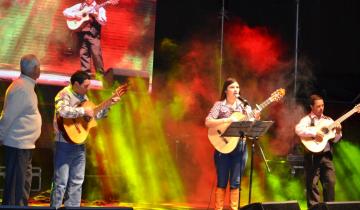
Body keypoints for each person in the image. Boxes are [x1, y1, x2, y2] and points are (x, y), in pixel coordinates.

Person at [50, 71, 120, 209]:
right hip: (64, 143)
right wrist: (83, 112)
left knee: (77, 182)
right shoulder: (64, 94)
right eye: (86, 86)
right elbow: (62, 111)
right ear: (76, 84)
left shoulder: (84, 97)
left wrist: (108, 104)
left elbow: (94, 115)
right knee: (60, 182)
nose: (88, 89)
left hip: (80, 144)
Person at [205, 78, 260, 210]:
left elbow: (250, 125)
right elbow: (208, 122)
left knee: (236, 182)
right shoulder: (219, 105)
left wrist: (256, 118)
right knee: (222, 181)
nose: (236, 90)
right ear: (226, 90)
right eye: (232, 87)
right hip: (222, 146)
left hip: (239, 147)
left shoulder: (244, 106)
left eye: (237, 87)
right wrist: (226, 120)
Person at [0, 54, 42, 206]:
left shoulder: (25, 86)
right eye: (39, 67)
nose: (40, 70)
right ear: (35, 69)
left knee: (21, 185)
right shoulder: (21, 89)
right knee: (16, 188)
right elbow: (7, 117)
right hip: (18, 146)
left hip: (23, 146)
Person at [295, 94, 342, 208]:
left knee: (330, 184)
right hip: (312, 157)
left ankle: (330, 208)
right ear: (312, 107)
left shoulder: (329, 120)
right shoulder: (307, 119)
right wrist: (315, 133)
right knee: (312, 186)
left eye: (323, 105)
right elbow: (298, 129)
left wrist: (338, 131)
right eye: (318, 106)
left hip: (326, 157)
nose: (321, 108)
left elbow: (335, 139)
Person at [63, 0, 107, 76]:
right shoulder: (80, 6)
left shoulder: (100, 8)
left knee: (96, 54)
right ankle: (86, 74)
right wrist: (75, 15)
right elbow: (65, 12)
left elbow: (104, 22)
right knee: (83, 54)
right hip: (82, 34)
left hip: (94, 35)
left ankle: (100, 75)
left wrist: (96, 16)